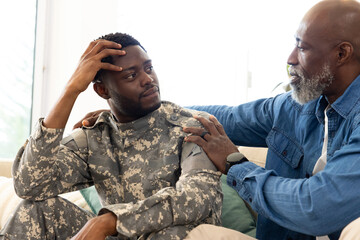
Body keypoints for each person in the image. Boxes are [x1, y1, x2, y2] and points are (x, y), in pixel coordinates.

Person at [0, 33, 222, 240]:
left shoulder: (191, 125)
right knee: (35, 209)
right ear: (102, 91)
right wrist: (71, 90)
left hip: (171, 235)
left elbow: (197, 199)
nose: (148, 79)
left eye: (149, 67)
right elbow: (29, 185)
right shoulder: (95, 136)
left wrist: (111, 220)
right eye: (131, 75)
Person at [181, 0, 360, 239]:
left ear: (342, 53)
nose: (290, 58)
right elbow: (228, 117)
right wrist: (155, 106)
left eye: (302, 48)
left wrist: (234, 164)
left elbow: (315, 208)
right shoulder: (296, 106)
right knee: (202, 234)